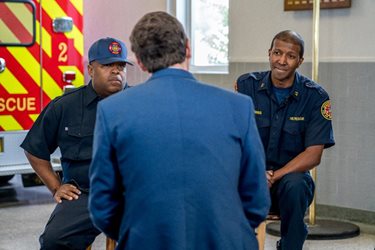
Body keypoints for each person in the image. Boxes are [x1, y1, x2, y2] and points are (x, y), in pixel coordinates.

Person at [89, 11, 270, 250]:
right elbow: (256, 198)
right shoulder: (238, 106)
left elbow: (102, 204)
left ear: (141, 62)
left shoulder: (112, 111)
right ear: (188, 48)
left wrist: (139, 230)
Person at [20, 37, 133, 250]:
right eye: (108, 65)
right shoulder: (66, 106)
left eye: (121, 66)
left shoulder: (140, 103)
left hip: (132, 193)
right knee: (54, 241)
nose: (116, 71)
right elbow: (34, 148)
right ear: (91, 70)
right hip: (86, 194)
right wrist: (55, 187)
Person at [235, 30, 335, 250]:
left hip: (287, 185)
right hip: (251, 178)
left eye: (290, 56)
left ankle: (290, 246)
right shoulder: (246, 86)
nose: (281, 60)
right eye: (277, 53)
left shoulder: (315, 97)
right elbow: (234, 137)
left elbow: (314, 154)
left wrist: (273, 176)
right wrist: (255, 174)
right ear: (269, 53)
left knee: (297, 184)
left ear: (300, 61)